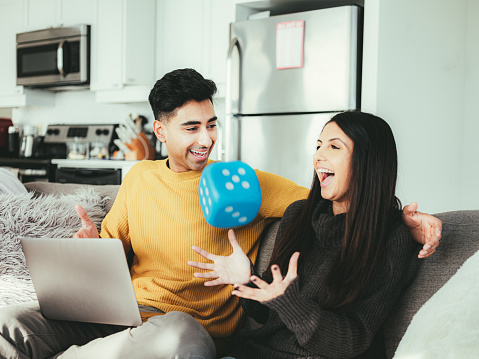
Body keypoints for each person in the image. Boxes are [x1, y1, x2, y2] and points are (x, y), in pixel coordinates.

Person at [0, 69, 441, 359]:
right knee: (13, 321)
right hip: (121, 315)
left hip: (188, 330)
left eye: (211, 125)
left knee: (175, 336)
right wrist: (90, 248)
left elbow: (335, 204)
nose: (206, 139)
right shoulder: (138, 179)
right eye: (191, 128)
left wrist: (401, 219)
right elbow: (114, 254)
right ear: (160, 130)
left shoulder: (244, 181)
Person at [188, 111, 428, 359]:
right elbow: (269, 313)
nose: (318, 156)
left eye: (334, 146)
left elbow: (352, 340)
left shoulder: (390, 239)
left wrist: (292, 305)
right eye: (318, 145)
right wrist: (247, 280)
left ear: (369, 161)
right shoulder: (299, 216)